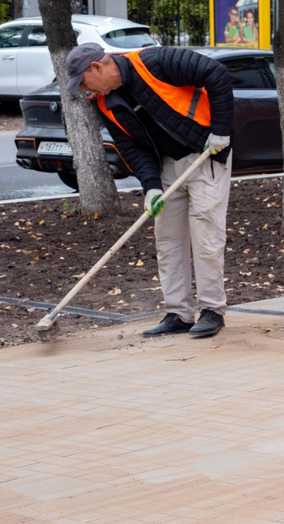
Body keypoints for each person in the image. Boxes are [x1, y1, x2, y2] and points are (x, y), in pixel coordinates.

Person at [64, 43, 235, 339]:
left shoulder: (154, 61)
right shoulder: (102, 102)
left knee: (206, 234)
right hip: (166, 165)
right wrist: (151, 188)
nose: (83, 89)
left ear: (96, 68)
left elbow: (216, 73)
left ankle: (212, 310)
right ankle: (178, 313)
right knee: (167, 239)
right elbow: (131, 146)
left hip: (205, 152)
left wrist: (221, 131)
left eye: (82, 81)